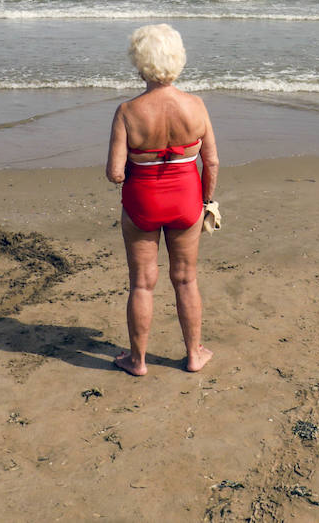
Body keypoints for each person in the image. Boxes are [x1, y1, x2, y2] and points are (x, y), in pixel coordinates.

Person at [105, 24, 218, 376]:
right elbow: (211, 161)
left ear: (140, 63)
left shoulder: (128, 111)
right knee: (185, 279)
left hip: (143, 203)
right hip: (186, 201)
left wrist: (137, 165)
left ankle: (137, 361)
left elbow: (115, 172)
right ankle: (194, 354)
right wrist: (206, 201)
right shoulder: (196, 106)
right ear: (177, 60)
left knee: (142, 282)